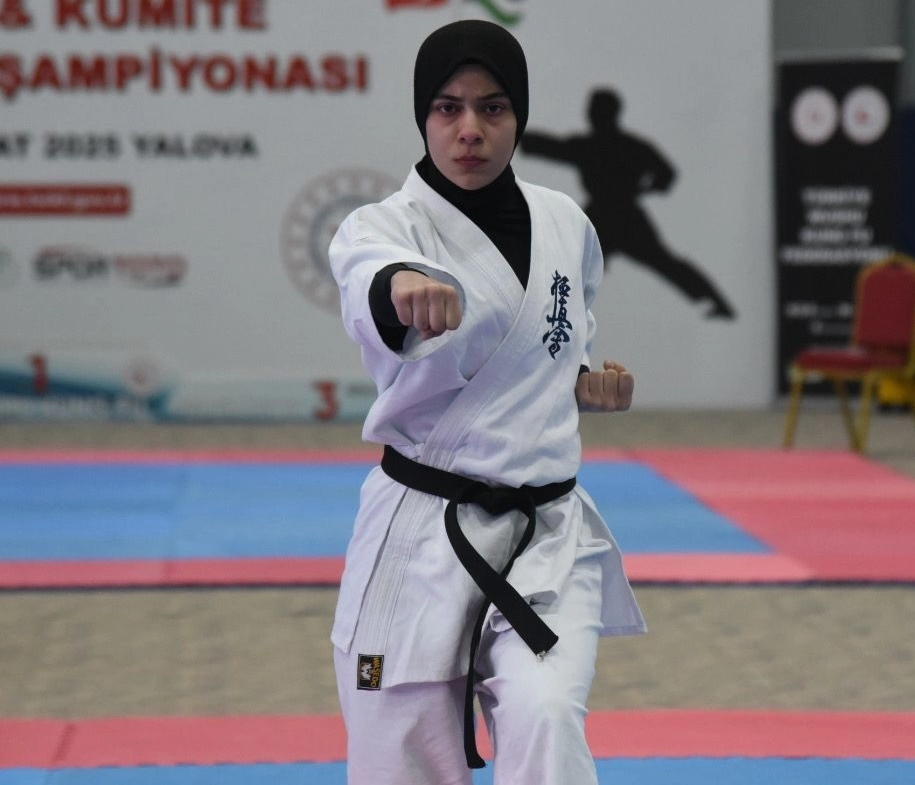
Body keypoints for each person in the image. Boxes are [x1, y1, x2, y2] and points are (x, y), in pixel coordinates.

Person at [328, 20, 646, 785]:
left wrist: (583, 380)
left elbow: (559, 337)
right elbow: (371, 279)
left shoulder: (566, 222)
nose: (469, 129)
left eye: (492, 108)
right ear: (424, 117)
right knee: (401, 759)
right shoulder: (384, 228)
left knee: (547, 714)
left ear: (519, 116)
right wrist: (402, 288)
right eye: (448, 108)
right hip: (419, 534)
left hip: (545, 533)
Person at [521, 88, 736, 319]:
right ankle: (531, 314)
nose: (592, 115)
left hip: (620, 216)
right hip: (609, 214)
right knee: (566, 264)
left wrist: (647, 188)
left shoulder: (606, 146)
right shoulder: (609, 146)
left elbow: (666, 174)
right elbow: (548, 147)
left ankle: (716, 302)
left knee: (656, 261)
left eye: (596, 110)